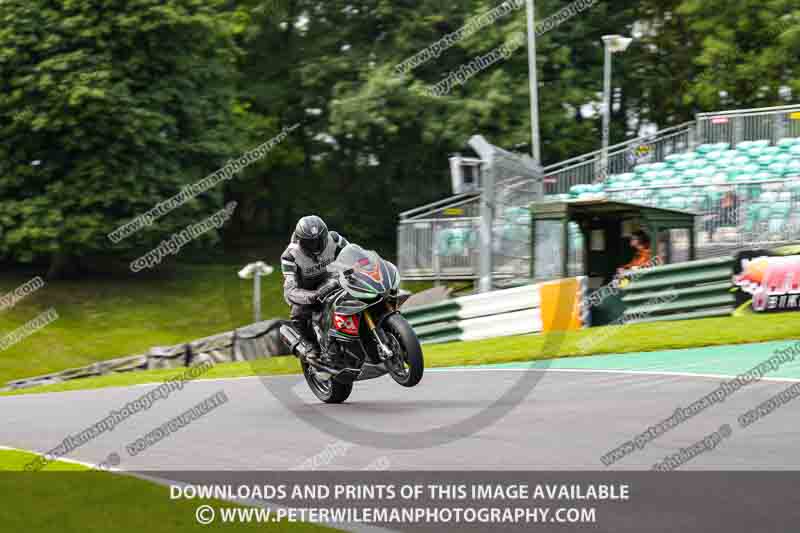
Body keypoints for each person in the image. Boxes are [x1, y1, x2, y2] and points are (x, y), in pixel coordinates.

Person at [279, 215, 349, 362]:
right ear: (300, 241)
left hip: (330, 280)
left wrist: (364, 264)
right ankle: (312, 345)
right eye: (309, 243)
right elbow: (291, 287)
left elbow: (352, 252)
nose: (315, 246)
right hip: (304, 290)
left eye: (318, 241)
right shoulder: (290, 255)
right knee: (298, 312)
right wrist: (312, 295)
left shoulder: (334, 238)